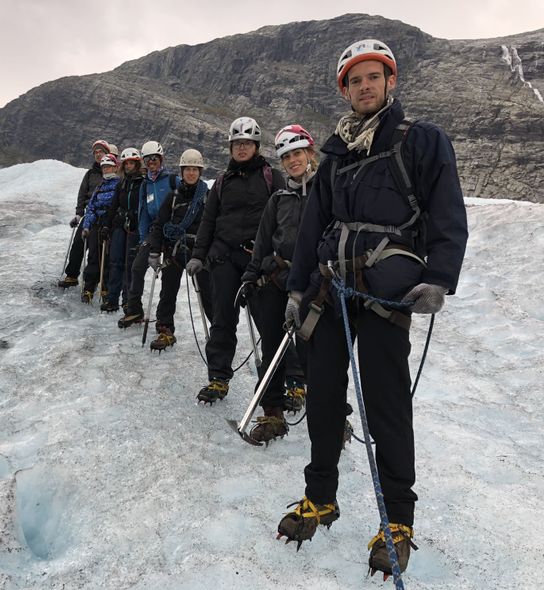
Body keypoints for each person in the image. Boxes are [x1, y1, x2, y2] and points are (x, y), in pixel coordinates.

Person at [277, 39, 468, 577]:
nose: (364, 86)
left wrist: (438, 279)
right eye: (354, 80)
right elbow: (315, 224)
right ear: (345, 88)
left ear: (390, 82)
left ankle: (397, 521)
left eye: (373, 77)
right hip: (332, 288)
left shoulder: (422, 141)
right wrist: (296, 289)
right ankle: (321, 497)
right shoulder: (336, 152)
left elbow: (447, 214)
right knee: (322, 400)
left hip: (387, 294)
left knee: (386, 405)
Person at [185, 117, 286, 403]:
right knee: (222, 319)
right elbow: (208, 221)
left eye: (247, 144)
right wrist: (198, 256)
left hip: (260, 260)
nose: (241, 149)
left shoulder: (271, 177)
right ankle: (218, 378)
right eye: (237, 144)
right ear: (231, 148)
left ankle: (289, 379)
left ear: (256, 147)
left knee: (269, 322)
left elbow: (285, 218)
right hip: (225, 258)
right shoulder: (221, 182)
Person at [235, 124, 317, 443]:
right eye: (287, 157)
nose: (293, 161)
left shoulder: (326, 193)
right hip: (277, 278)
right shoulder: (280, 199)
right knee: (272, 345)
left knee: (317, 351)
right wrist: (249, 275)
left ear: (310, 154)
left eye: (298, 154)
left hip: (314, 283)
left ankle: (334, 416)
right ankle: (273, 412)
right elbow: (263, 240)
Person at [146, 149, 213, 351]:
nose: (191, 173)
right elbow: (159, 224)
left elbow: (214, 225)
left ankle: (219, 331)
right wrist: (154, 251)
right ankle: (165, 329)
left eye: (195, 169)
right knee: (168, 292)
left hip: (199, 252)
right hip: (174, 251)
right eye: (188, 169)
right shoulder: (173, 197)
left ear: (200, 172)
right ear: (182, 171)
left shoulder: (208, 197)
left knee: (209, 294)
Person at [117, 141, 180, 328]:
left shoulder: (172, 180)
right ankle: (134, 310)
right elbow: (143, 212)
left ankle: (164, 321)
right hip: (153, 232)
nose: (151, 162)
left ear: (160, 159)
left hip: (170, 232)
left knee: (169, 279)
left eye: (154, 158)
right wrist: (145, 238)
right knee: (137, 268)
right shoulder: (145, 185)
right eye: (148, 159)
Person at [58, 139, 112, 288]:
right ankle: (72, 276)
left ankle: (93, 282)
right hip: (89, 215)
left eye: (100, 151)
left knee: (96, 251)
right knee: (78, 244)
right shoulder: (90, 174)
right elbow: (82, 194)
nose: (97, 154)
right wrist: (78, 214)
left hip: (104, 217)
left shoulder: (112, 172)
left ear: (107, 153)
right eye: (95, 152)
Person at [102, 148, 145, 313]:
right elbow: (114, 205)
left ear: (137, 163)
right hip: (120, 225)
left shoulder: (143, 183)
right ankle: (112, 299)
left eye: (132, 163)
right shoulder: (122, 183)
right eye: (126, 163)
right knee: (115, 262)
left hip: (134, 227)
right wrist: (107, 225)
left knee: (130, 265)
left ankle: (128, 301)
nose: (129, 166)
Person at [79, 154, 121, 303]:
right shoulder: (99, 187)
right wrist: (86, 226)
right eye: (104, 167)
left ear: (115, 167)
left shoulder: (119, 185)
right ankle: (89, 288)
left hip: (111, 225)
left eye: (108, 166)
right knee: (93, 257)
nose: (106, 169)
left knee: (109, 257)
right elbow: (90, 208)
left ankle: (106, 288)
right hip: (97, 224)